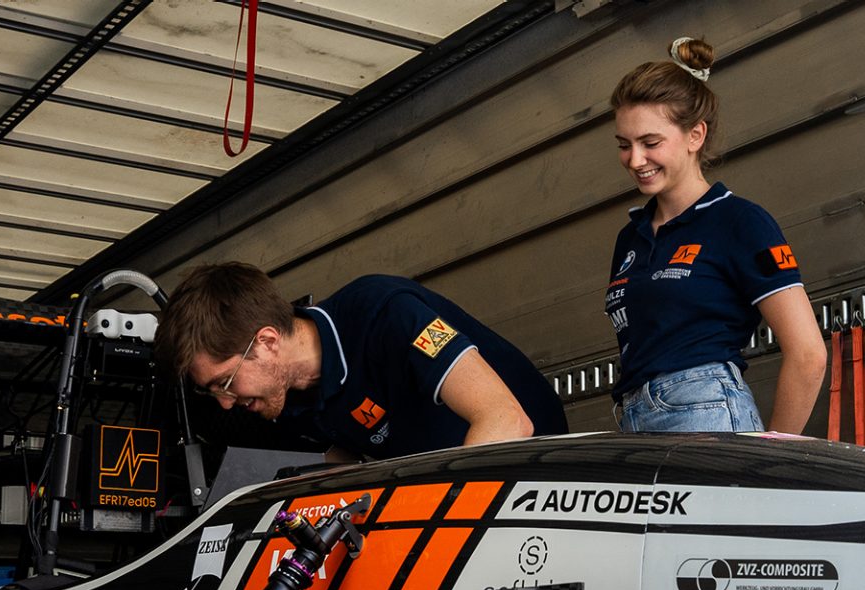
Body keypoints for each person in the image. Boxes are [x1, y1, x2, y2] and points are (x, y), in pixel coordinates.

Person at [604, 36, 825, 434]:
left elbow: (808, 353)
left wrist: (773, 454)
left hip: (704, 409)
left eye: (650, 143)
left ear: (695, 136)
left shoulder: (739, 221)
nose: (635, 160)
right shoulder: (629, 238)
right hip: (634, 417)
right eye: (625, 145)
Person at [157, 264, 567, 461]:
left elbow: (507, 422)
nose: (225, 403)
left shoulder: (386, 315)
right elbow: (348, 456)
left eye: (225, 383)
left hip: (544, 477)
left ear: (265, 342)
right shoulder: (289, 397)